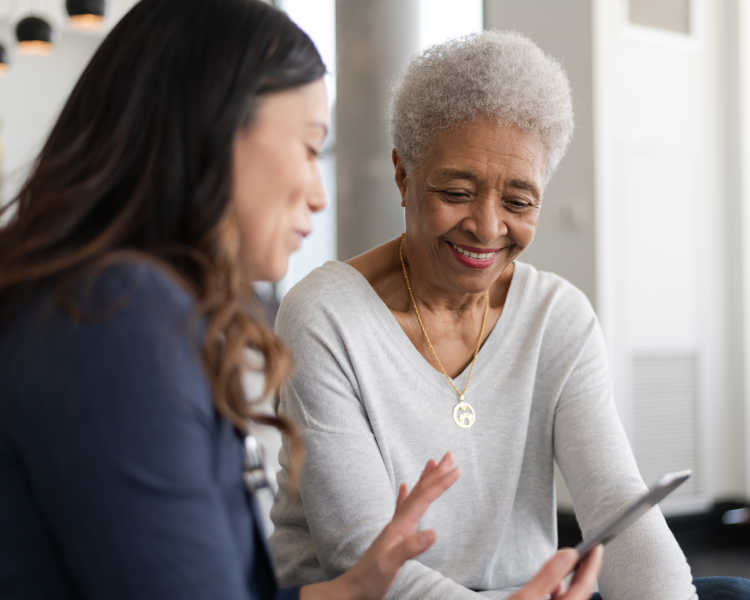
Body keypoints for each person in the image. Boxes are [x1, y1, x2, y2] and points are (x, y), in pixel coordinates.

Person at [0, 1, 603, 599]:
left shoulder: (112, 303)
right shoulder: (116, 318)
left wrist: (352, 590)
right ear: (210, 134)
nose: (319, 195)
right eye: (311, 148)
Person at [269, 30, 750, 600]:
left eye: (519, 202)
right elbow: (364, 555)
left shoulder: (557, 316)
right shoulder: (326, 316)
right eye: (455, 191)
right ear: (404, 175)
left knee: (724, 593)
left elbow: (614, 500)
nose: (488, 227)